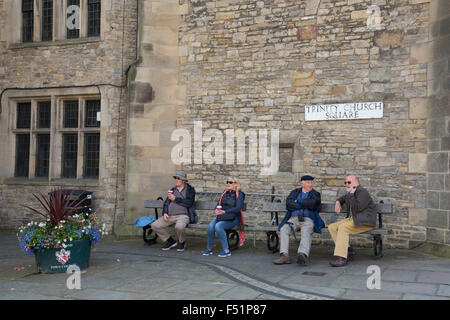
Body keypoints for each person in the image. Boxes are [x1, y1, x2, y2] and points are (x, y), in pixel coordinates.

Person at [273, 175, 324, 266]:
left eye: (311, 182)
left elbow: (313, 204)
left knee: (306, 230)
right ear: (302, 183)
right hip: (294, 219)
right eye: (308, 182)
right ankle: (284, 255)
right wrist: (304, 203)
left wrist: (298, 202)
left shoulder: (315, 194)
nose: (310, 184)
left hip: (308, 219)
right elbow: (288, 204)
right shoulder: (295, 192)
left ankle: (302, 254)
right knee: (284, 228)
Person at [329, 175, 377, 267]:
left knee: (343, 228)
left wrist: (351, 195)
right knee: (332, 227)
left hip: (365, 221)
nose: (347, 184)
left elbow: (358, 207)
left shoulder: (362, 192)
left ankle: (342, 258)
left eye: (349, 182)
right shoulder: (350, 193)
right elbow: (342, 198)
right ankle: (349, 251)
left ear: (356, 182)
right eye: (345, 182)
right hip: (354, 219)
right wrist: (338, 202)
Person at [151, 170, 196, 252]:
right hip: (170, 216)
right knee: (154, 225)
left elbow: (189, 203)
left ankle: (182, 242)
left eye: (178, 178)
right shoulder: (172, 190)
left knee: (179, 226)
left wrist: (176, 199)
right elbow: (166, 203)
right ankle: (170, 241)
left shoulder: (190, 190)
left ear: (183, 180)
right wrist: (165, 213)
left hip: (183, 215)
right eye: (175, 178)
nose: (176, 180)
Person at [202, 177, 245, 258]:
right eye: (227, 182)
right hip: (222, 216)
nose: (228, 184)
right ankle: (209, 248)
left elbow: (238, 208)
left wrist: (225, 211)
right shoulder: (224, 193)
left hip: (234, 218)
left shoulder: (240, 194)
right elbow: (218, 204)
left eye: (230, 182)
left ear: (236, 184)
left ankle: (226, 250)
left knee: (218, 226)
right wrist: (216, 210)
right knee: (211, 226)